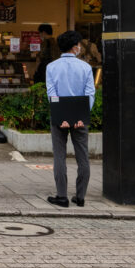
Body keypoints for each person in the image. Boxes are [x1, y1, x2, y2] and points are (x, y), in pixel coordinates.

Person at [44, 30, 96, 208]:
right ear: (75, 47)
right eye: (79, 45)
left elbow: (52, 94)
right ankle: (80, 197)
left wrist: (61, 116)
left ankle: (62, 196)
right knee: (83, 157)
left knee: (59, 156)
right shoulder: (85, 67)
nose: (80, 47)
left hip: (59, 117)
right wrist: (82, 116)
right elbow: (90, 94)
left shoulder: (51, 67)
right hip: (80, 118)